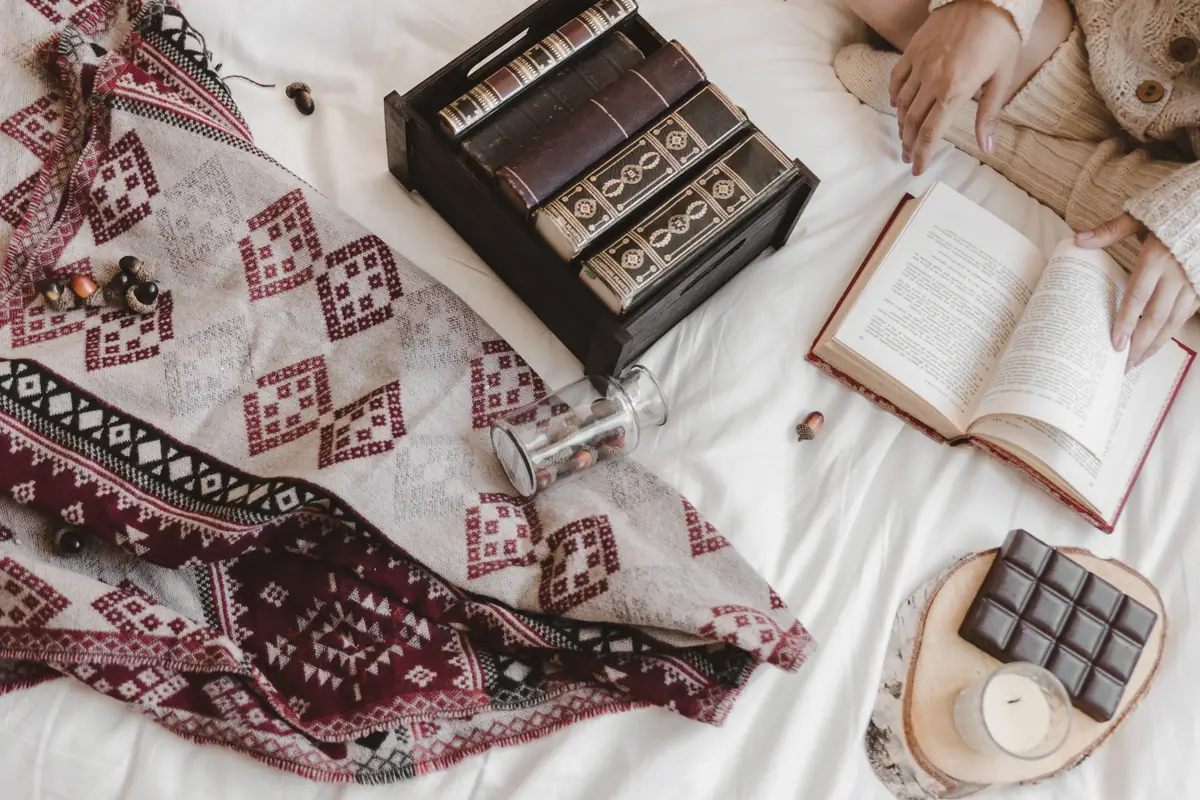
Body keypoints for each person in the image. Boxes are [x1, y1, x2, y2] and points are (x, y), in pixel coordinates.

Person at [834, 0, 1200, 369]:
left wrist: (1190, 222)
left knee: (1166, 280)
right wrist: (997, 8)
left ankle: (1017, 147)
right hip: (1107, 32)